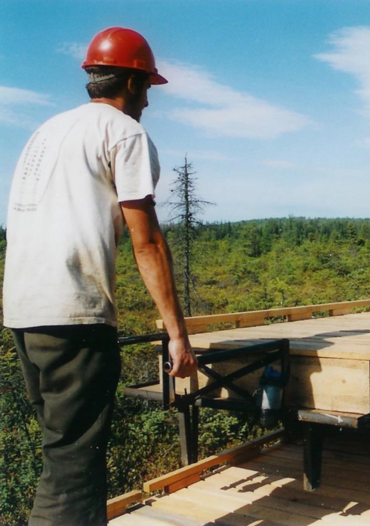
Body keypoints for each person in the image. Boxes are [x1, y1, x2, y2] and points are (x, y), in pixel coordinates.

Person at [2, 27, 198, 526]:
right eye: (148, 88)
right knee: (74, 468)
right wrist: (177, 334)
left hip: (24, 312)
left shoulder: (46, 132)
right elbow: (146, 240)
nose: (149, 101)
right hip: (74, 316)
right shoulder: (124, 132)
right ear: (131, 83)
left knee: (59, 452)